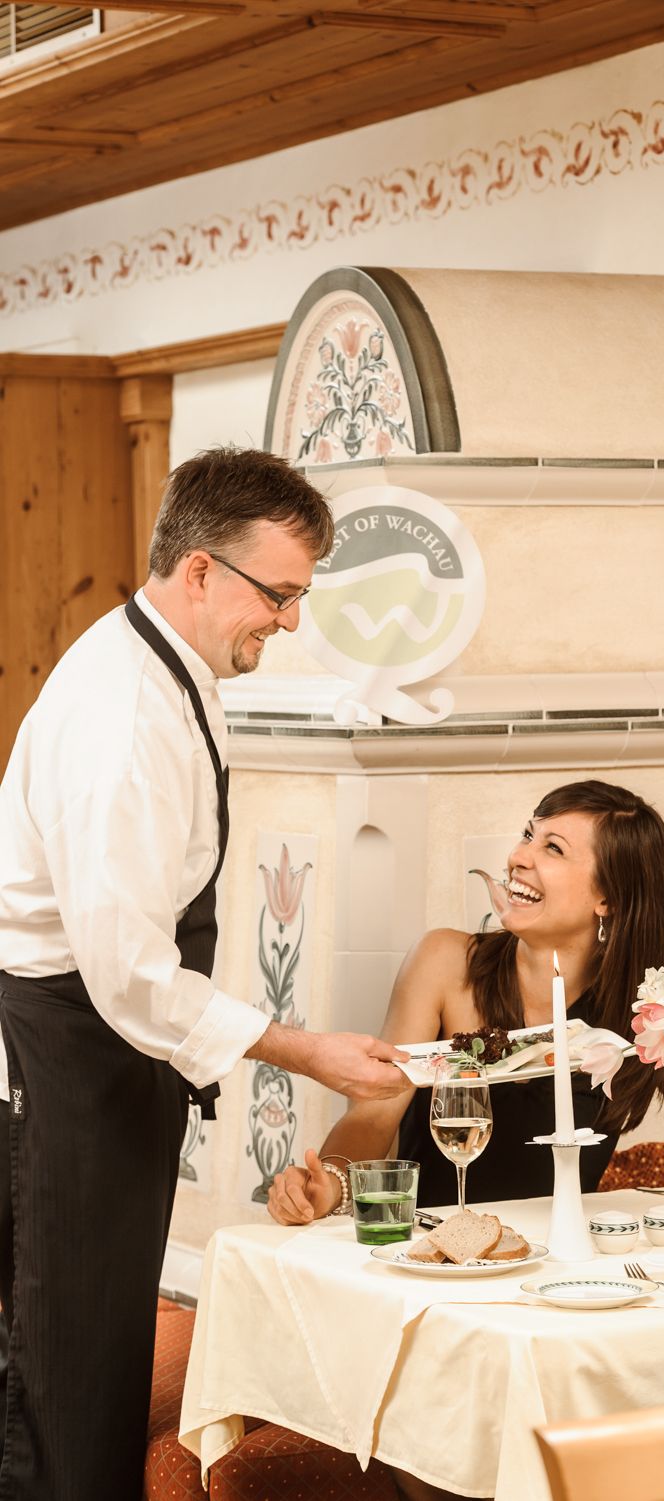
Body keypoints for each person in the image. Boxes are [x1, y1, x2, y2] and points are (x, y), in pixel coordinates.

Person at [0, 446, 409, 1501]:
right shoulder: (123, 719)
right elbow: (129, 973)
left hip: (109, 1057)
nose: (289, 621)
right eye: (278, 594)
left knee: (97, 1368)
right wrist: (301, 1047)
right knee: (60, 1391)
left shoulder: (177, 669)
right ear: (196, 570)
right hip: (65, 1056)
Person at [268, 779, 664, 1226]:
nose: (518, 857)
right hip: (433, 1253)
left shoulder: (652, 1010)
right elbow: (373, 1114)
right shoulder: (444, 963)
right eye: (529, 835)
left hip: (562, 1266)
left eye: (553, 848)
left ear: (609, 897)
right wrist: (330, 1183)